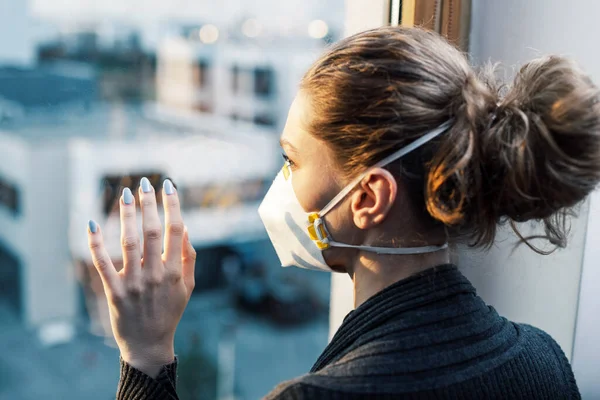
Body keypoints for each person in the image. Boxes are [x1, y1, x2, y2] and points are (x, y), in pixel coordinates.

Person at [86, 26, 600, 399]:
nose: (280, 182)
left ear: (369, 198)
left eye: (292, 160)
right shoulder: (544, 361)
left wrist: (146, 355)